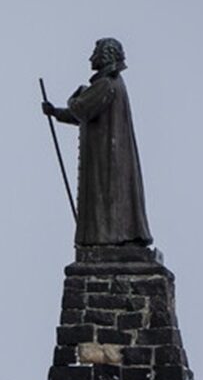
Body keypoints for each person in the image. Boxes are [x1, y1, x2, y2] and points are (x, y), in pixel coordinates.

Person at [42, 37, 153, 247]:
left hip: (106, 157)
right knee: (109, 196)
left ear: (105, 56)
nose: (90, 58)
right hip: (107, 154)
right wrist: (56, 112)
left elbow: (81, 109)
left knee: (106, 196)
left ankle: (109, 237)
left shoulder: (106, 84)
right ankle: (113, 236)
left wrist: (75, 97)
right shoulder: (112, 82)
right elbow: (85, 114)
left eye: (95, 53)